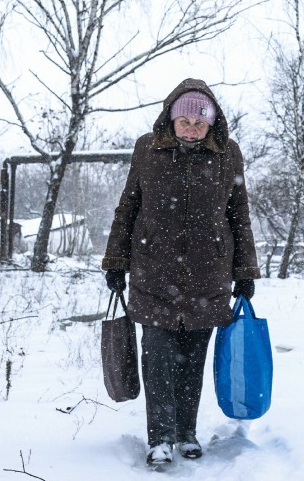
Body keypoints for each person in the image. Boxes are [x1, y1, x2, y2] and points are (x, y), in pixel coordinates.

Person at [102, 78, 260, 466]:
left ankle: (187, 433)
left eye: (199, 123)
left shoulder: (228, 155)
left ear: (211, 124)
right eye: (185, 121)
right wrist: (116, 262)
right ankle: (160, 438)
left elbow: (239, 216)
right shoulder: (148, 149)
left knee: (192, 360)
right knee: (156, 358)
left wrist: (245, 271)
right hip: (154, 272)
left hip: (209, 276)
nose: (191, 129)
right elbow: (128, 208)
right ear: (172, 119)